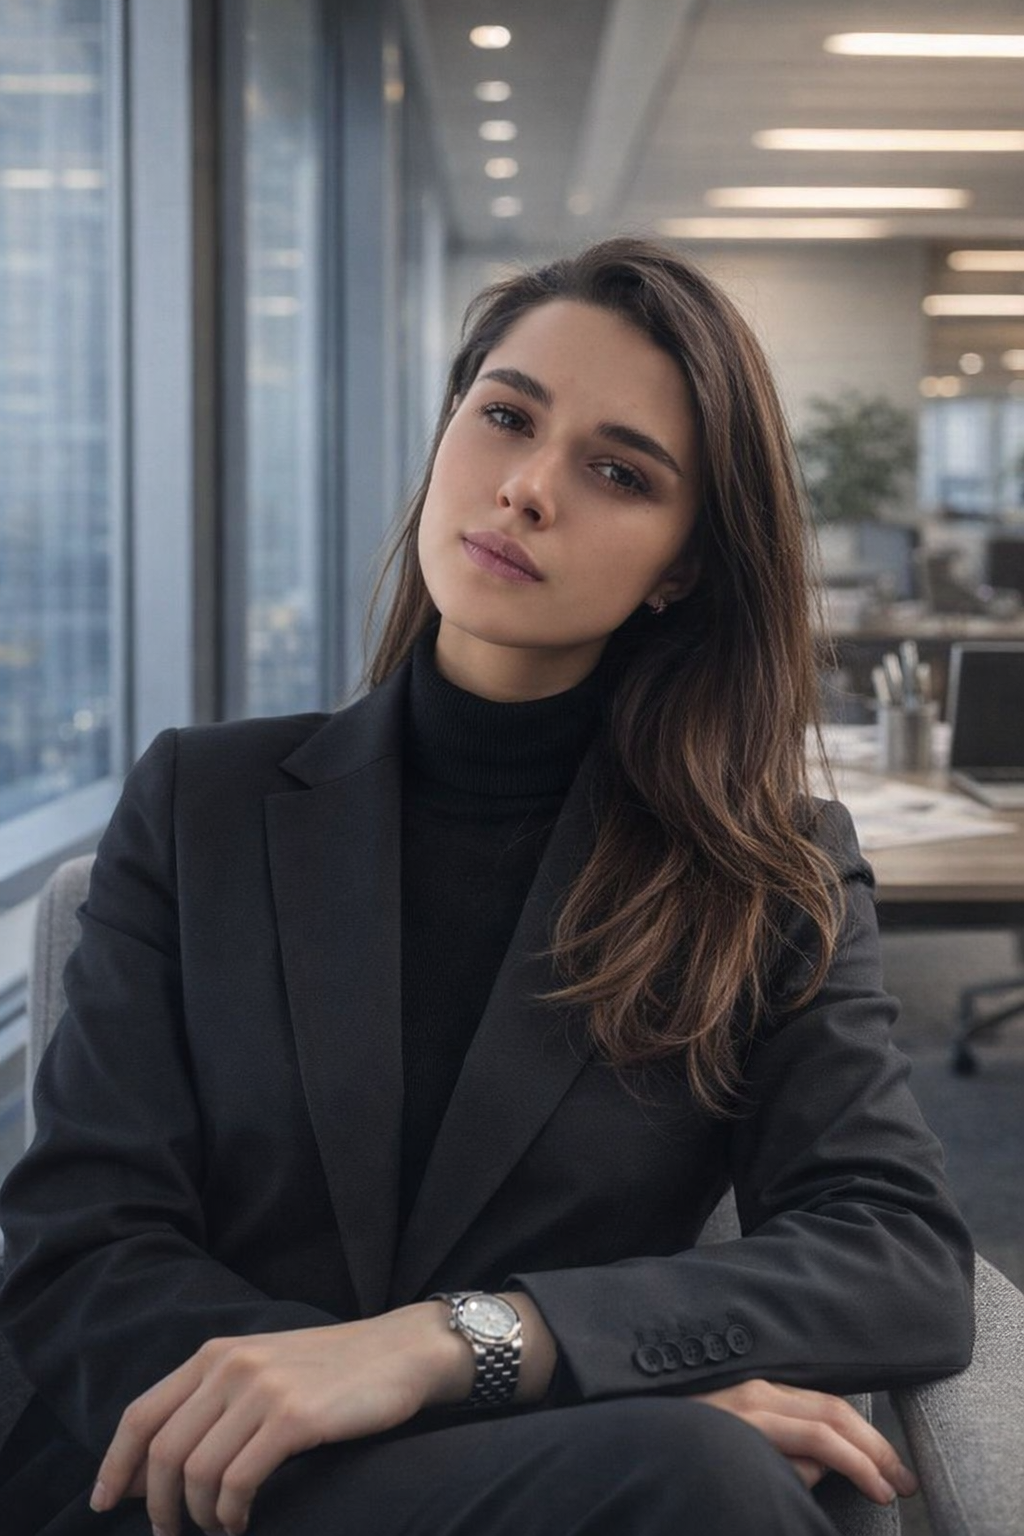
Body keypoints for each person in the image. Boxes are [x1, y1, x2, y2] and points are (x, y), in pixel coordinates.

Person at [0, 237, 973, 1536]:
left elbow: (896, 1259)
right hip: (193, 1485)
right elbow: (80, 1249)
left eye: (618, 472)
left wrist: (460, 1345)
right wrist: (530, 1404)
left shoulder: (763, 875)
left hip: (541, 1493)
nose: (525, 489)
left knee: (706, 1480)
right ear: (448, 426)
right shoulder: (202, 802)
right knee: (695, 1476)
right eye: (507, 416)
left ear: (681, 565)